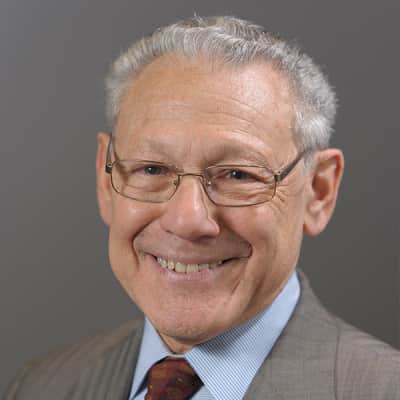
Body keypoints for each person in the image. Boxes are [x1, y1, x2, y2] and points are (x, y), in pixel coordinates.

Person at [5, 15, 400, 400]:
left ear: (318, 191)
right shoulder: (42, 386)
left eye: (237, 175)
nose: (187, 220)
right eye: (152, 169)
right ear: (106, 180)